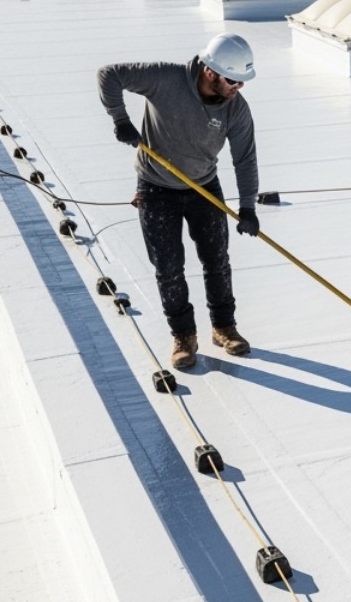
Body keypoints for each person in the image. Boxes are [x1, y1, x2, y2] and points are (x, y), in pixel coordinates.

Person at [97, 33, 261, 370]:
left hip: (204, 188)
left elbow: (245, 158)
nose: (238, 88)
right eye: (233, 80)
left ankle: (223, 327)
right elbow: (108, 74)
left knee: (217, 261)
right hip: (156, 189)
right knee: (169, 268)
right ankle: (184, 336)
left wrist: (247, 207)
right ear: (211, 71)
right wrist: (120, 119)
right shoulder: (165, 79)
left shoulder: (236, 108)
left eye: (243, 81)